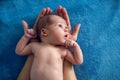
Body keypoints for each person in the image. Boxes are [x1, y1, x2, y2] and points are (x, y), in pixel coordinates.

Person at [17, 6, 82, 80]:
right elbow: (19, 51)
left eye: (66, 28)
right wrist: (26, 37)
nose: (66, 29)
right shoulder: (35, 46)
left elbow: (77, 61)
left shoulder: (63, 51)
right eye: (60, 25)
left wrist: (76, 46)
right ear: (44, 32)